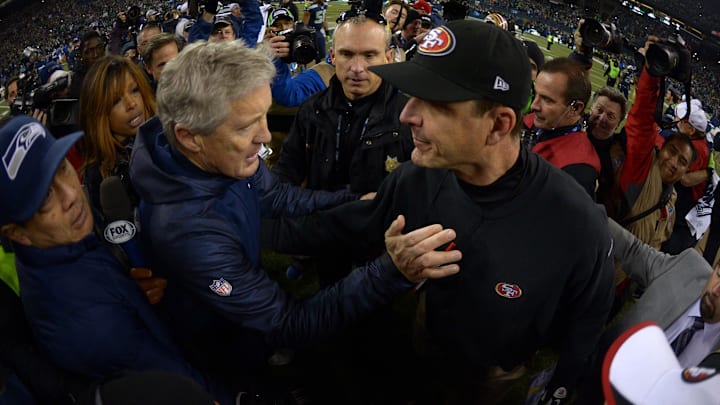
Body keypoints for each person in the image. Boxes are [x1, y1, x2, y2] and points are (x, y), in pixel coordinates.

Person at [264, 21, 614, 404]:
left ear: (498, 124)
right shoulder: (419, 177)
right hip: (425, 332)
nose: (406, 115)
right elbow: (345, 225)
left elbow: (588, 322)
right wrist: (245, 226)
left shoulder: (576, 223)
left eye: (433, 104)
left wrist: (559, 390)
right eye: (411, 96)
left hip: (489, 374)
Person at [129, 40, 455, 387]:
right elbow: (289, 323)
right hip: (218, 352)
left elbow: (278, 197)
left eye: (264, 117)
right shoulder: (188, 233)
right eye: (245, 127)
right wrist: (391, 270)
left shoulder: (217, 153)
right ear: (189, 137)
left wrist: (355, 200)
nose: (266, 136)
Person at [0, 116, 235, 404]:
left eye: (61, 169)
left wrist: (127, 289)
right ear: (17, 234)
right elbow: (178, 384)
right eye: (45, 197)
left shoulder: (61, 243)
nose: (71, 194)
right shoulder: (88, 324)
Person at [615, 36, 697, 251]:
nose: (673, 162)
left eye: (682, 161)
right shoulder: (641, 168)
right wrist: (651, 76)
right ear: (660, 149)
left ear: (686, 170)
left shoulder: (672, 198)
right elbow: (642, 120)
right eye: (671, 151)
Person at [77, 55, 156, 214]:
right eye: (116, 101)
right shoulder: (100, 178)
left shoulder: (170, 134)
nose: (131, 104)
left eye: (134, 90)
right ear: (99, 114)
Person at [523, 57, 600, 197]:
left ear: (575, 108)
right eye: (536, 94)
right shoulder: (529, 123)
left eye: (547, 100)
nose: (534, 105)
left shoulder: (578, 168)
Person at [662, 100, 711, 254]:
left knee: (668, 244)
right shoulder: (702, 142)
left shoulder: (696, 148)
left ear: (691, 129)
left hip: (686, 206)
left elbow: (683, 178)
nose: (678, 123)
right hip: (689, 202)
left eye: (682, 122)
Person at [587, 87, 628, 219]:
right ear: (591, 109)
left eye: (611, 116)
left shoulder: (618, 153)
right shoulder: (571, 130)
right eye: (599, 110)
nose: (602, 118)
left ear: (618, 124)